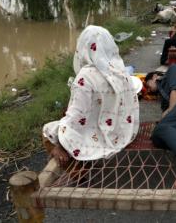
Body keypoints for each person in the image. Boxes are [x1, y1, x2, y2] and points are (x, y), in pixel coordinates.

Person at [42, 26, 140, 168]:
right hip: (124, 132)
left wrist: (59, 135)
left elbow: (76, 117)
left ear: (83, 47)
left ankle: (78, 175)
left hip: (100, 139)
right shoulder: (121, 71)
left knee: (47, 131)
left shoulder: (85, 76)